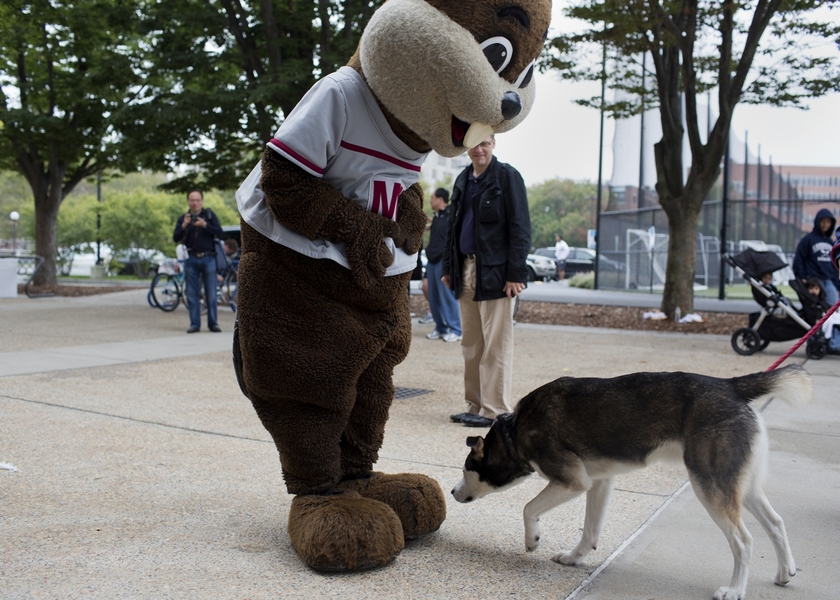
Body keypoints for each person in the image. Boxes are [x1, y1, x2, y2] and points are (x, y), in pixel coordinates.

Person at [442, 135, 531, 427]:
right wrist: (448, 268)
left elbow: (520, 228)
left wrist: (516, 274)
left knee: (496, 345)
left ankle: (494, 410)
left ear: (493, 143)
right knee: (471, 343)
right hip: (465, 269)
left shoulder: (507, 177)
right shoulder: (462, 179)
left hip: (495, 272)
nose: (479, 150)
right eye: (474, 144)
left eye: (485, 143)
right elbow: (452, 229)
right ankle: (475, 405)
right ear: (466, 147)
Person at [173, 189, 224, 333]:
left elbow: (220, 233)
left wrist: (205, 225)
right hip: (191, 258)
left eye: (197, 200)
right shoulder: (184, 218)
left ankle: (213, 323)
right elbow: (175, 238)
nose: (195, 203)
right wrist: (184, 226)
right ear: (188, 201)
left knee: (211, 293)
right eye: (192, 200)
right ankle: (195, 323)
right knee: (192, 293)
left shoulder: (209, 215)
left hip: (208, 257)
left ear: (201, 201)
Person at [424, 188, 461, 342]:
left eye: (432, 197)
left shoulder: (451, 214)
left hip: (443, 261)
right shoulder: (437, 218)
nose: (430, 200)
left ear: (440, 199)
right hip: (431, 262)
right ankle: (440, 327)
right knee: (433, 297)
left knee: (446, 295)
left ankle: (456, 330)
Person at [792, 209, 838, 306]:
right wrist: (802, 277)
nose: (825, 224)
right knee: (816, 309)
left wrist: (837, 284)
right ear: (817, 222)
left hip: (828, 280)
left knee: (833, 306)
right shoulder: (808, 239)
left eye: (828, 222)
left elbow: (835, 265)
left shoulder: (830, 242)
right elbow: (799, 259)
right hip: (814, 280)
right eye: (823, 221)